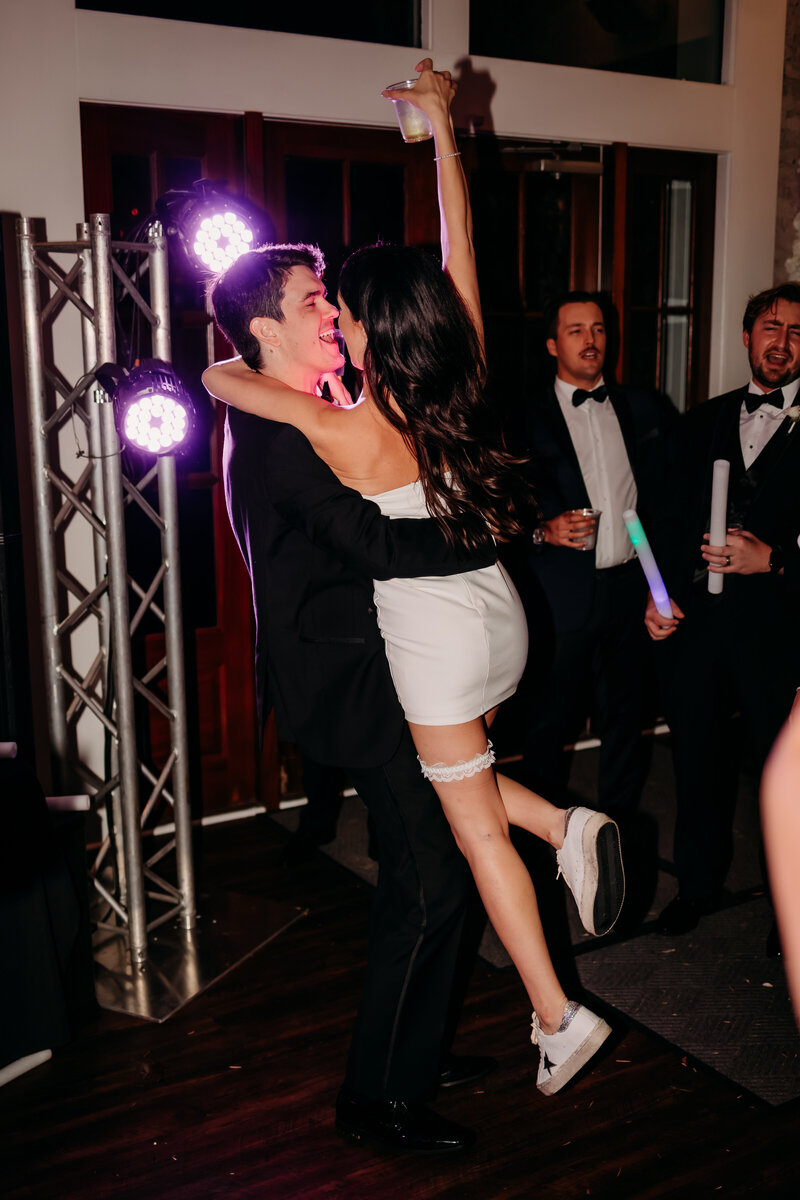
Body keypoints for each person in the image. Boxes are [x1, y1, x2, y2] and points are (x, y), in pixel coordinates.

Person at [205, 61, 625, 1105]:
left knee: (470, 835)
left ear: (369, 325)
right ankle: (563, 828)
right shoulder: (457, 369)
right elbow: (458, 250)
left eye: (338, 308)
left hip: (435, 639)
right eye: (316, 305)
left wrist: (215, 369)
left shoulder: (338, 425)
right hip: (502, 619)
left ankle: (557, 1015)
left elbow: (234, 382)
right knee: (464, 793)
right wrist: (443, 132)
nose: (333, 320)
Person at [645, 284, 800, 936]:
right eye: (771, 327)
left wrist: (777, 560)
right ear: (747, 336)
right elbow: (664, 521)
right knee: (696, 759)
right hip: (698, 627)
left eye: (797, 332)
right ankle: (697, 885)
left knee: (785, 773)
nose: (782, 342)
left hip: (781, 630)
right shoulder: (700, 420)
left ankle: (790, 911)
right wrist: (656, 596)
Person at [513, 291, 676, 818]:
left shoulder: (643, 406)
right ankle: (543, 834)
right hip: (560, 596)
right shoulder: (523, 418)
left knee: (626, 720)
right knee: (548, 723)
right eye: (577, 330)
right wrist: (542, 531)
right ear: (552, 345)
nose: (591, 340)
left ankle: (617, 830)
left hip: (629, 588)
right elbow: (496, 509)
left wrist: (659, 588)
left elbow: (663, 505)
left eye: (599, 329)